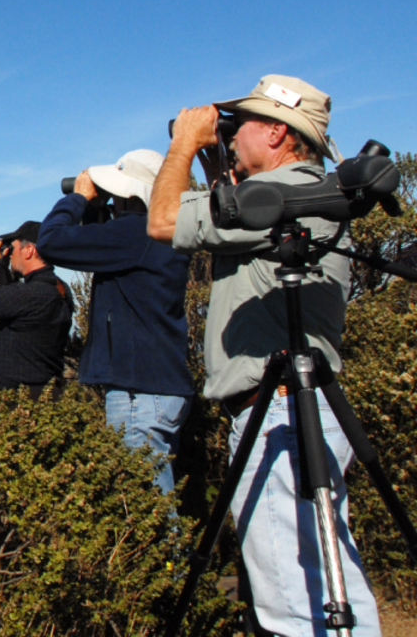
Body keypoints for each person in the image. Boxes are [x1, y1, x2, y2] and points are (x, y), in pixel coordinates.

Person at [147, 75, 378, 636]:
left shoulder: (276, 197)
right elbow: (224, 211)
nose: (232, 134)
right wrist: (218, 160)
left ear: (276, 132)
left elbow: (164, 219)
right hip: (299, 405)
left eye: (242, 123)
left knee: (292, 598)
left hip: (278, 414)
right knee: (326, 577)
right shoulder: (304, 193)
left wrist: (184, 143)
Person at [36, 149, 192, 496]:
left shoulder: (137, 232)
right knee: (153, 501)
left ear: (131, 194)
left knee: (142, 507)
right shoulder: (160, 234)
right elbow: (102, 249)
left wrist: (78, 199)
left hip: (139, 390)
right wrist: (99, 211)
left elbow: (51, 241)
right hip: (159, 384)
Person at [0, 220, 74, 396]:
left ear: (29, 250)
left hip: (21, 399)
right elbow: (11, 304)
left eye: (13, 248)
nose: (10, 254)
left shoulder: (31, 293)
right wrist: (3, 266)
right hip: (48, 392)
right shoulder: (60, 288)